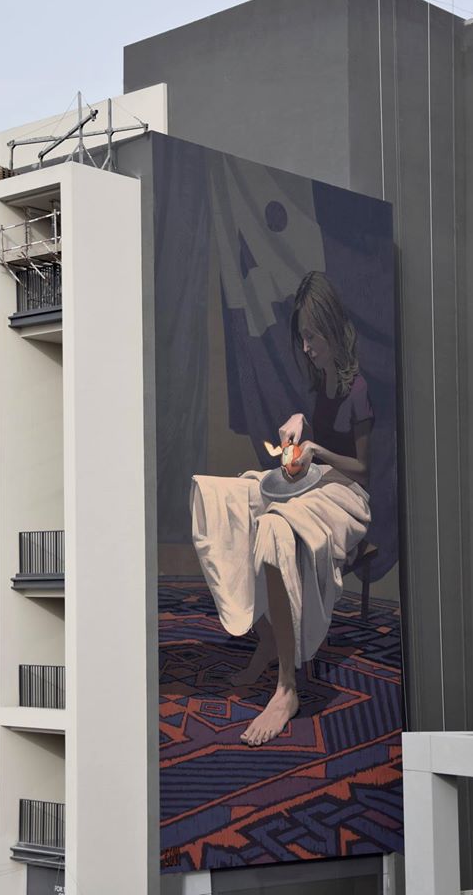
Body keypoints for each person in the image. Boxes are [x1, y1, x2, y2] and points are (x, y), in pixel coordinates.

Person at [190, 272, 374, 747]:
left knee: (272, 527)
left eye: (313, 337)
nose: (306, 348)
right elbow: (318, 430)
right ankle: (268, 637)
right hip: (317, 484)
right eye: (303, 338)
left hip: (349, 497)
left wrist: (317, 451)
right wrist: (300, 419)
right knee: (225, 497)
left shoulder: (358, 389)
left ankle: (287, 687)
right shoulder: (322, 376)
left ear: (331, 328)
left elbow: (362, 470)